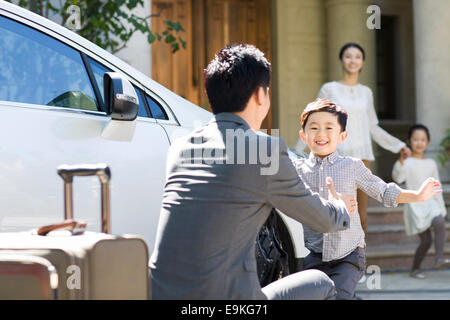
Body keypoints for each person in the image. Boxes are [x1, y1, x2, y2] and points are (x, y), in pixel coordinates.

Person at [149, 43, 353, 300]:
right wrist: (340, 207)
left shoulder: (181, 147)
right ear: (260, 95)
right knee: (323, 283)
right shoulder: (264, 149)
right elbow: (320, 218)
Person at [293, 98, 442, 299]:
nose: (321, 134)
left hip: (348, 254)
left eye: (329, 128)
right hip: (313, 254)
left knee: (339, 297)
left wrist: (417, 195)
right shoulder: (296, 171)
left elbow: (383, 191)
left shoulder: (352, 166)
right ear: (303, 135)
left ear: (342, 136)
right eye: (314, 128)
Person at [295, 42, 412, 235]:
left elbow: (373, 126)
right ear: (341, 61)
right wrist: (298, 150)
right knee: (337, 212)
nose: (352, 60)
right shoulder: (329, 89)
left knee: (360, 216)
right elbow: (312, 120)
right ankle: (333, 261)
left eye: (357, 57)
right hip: (335, 160)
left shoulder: (366, 92)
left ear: (363, 62)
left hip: (361, 161)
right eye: (348, 56)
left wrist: (399, 146)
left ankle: (358, 262)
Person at [392, 124, 449, 279]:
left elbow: (437, 186)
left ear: (428, 143)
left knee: (439, 222)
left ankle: (438, 258)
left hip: (431, 203)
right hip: (415, 205)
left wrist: (442, 208)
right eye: (415, 139)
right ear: (409, 141)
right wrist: (402, 161)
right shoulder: (406, 162)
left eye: (423, 140)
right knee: (426, 241)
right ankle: (415, 269)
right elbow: (398, 178)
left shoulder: (431, 163)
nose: (419, 143)